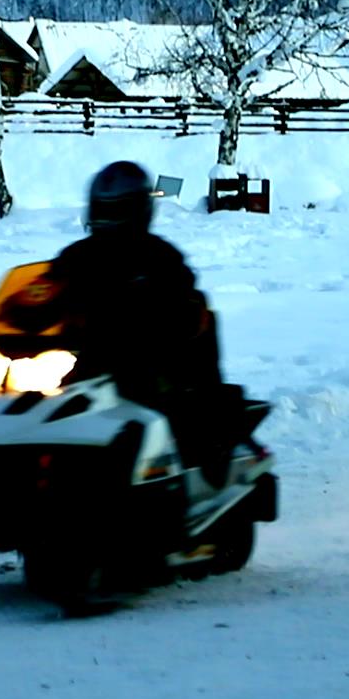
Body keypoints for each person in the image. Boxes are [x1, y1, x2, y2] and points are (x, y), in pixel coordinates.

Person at [44, 161, 240, 477]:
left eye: (117, 208)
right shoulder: (75, 258)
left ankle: (207, 447)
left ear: (138, 210)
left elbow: (187, 309)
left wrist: (165, 315)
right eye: (103, 209)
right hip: (86, 363)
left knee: (166, 389)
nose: (108, 218)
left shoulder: (161, 259)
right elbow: (42, 291)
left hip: (144, 362)